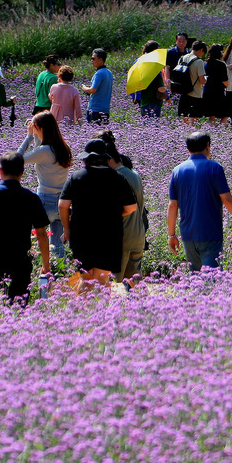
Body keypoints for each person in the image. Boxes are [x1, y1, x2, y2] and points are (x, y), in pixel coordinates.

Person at [0, 153, 52, 303]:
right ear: (22, 172)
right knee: (18, 309)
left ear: (0, 171)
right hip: (19, 262)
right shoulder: (32, 198)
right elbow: (41, 235)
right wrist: (46, 266)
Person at [58, 139, 138, 287]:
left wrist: (66, 228)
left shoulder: (76, 177)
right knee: (102, 279)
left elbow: (63, 205)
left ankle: (84, 310)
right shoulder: (118, 178)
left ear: (86, 159)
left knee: (86, 278)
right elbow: (131, 207)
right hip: (109, 235)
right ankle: (100, 309)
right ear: (107, 158)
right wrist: (113, 214)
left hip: (81, 234)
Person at [166, 132, 232, 272]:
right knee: (212, 280)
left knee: (196, 279)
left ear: (188, 149)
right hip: (210, 233)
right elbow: (227, 200)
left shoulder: (177, 171)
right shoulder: (215, 168)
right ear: (208, 147)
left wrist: (171, 235)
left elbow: (173, 205)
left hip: (188, 234)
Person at [18, 111, 75, 256]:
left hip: (45, 200)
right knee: (57, 246)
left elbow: (17, 160)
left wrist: (28, 137)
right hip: (62, 203)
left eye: (35, 127)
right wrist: (36, 135)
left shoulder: (43, 151)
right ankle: (58, 276)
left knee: (23, 237)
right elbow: (41, 148)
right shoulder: (63, 148)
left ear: (41, 128)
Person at [92, 130, 146, 284]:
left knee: (112, 284)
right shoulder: (133, 173)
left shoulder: (115, 178)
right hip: (137, 234)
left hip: (121, 237)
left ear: (108, 160)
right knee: (134, 284)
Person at [174, 41, 207, 124]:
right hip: (195, 94)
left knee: (184, 121)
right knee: (193, 122)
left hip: (183, 93)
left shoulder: (182, 58)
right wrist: (206, 79)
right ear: (201, 50)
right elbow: (202, 81)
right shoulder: (199, 62)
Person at [135, 41, 169, 119]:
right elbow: (160, 88)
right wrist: (166, 92)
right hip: (154, 102)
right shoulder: (155, 68)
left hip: (143, 101)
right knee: (154, 126)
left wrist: (135, 97)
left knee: (146, 126)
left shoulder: (139, 63)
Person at [81, 48, 113, 125]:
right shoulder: (109, 73)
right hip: (105, 109)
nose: (92, 60)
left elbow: (93, 90)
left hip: (95, 109)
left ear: (100, 60)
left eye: (93, 58)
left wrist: (85, 88)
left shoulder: (99, 73)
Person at [202, 43, 228, 124]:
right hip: (218, 93)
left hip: (207, 92)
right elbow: (225, 80)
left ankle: (211, 132)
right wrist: (228, 86)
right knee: (225, 114)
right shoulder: (221, 64)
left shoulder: (206, 64)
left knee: (212, 116)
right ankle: (221, 131)